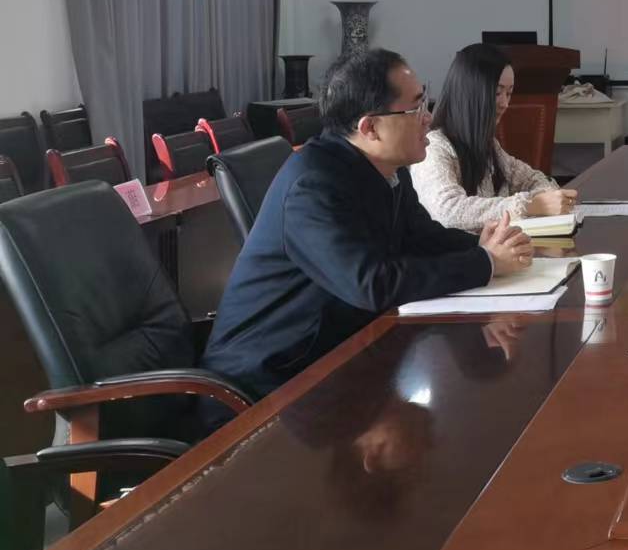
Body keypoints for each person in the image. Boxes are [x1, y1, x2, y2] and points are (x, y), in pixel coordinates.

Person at [201, 48, 536, 403]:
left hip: (337, 359)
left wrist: (482, 244)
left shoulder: (385, 168)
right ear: (370, 127)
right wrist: (486, 262)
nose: (428, 118)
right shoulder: (313, 186)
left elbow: (422, 237)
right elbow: (373, 283)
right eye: (415, 109)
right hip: (266, 387)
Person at [414, 43, 580, 230]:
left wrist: (546, 199)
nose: (505, 103)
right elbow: (448, 211)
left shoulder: (489, 146)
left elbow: (533, 179)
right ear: (470, 92)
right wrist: (529, 205)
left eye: (509, 93)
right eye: (497, 92)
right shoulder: (434, 147)